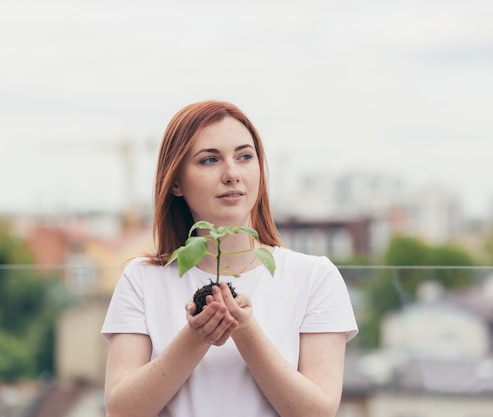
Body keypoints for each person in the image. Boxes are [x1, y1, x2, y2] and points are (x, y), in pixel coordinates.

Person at [101, 100, 358, 417]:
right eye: (209, 160)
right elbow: (122, 411)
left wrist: (245, 330)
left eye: (245, 156)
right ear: (176, 182)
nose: (232, 173)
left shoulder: (314, 277)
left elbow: (317, 413)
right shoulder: (142, 278)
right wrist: (195, 338)